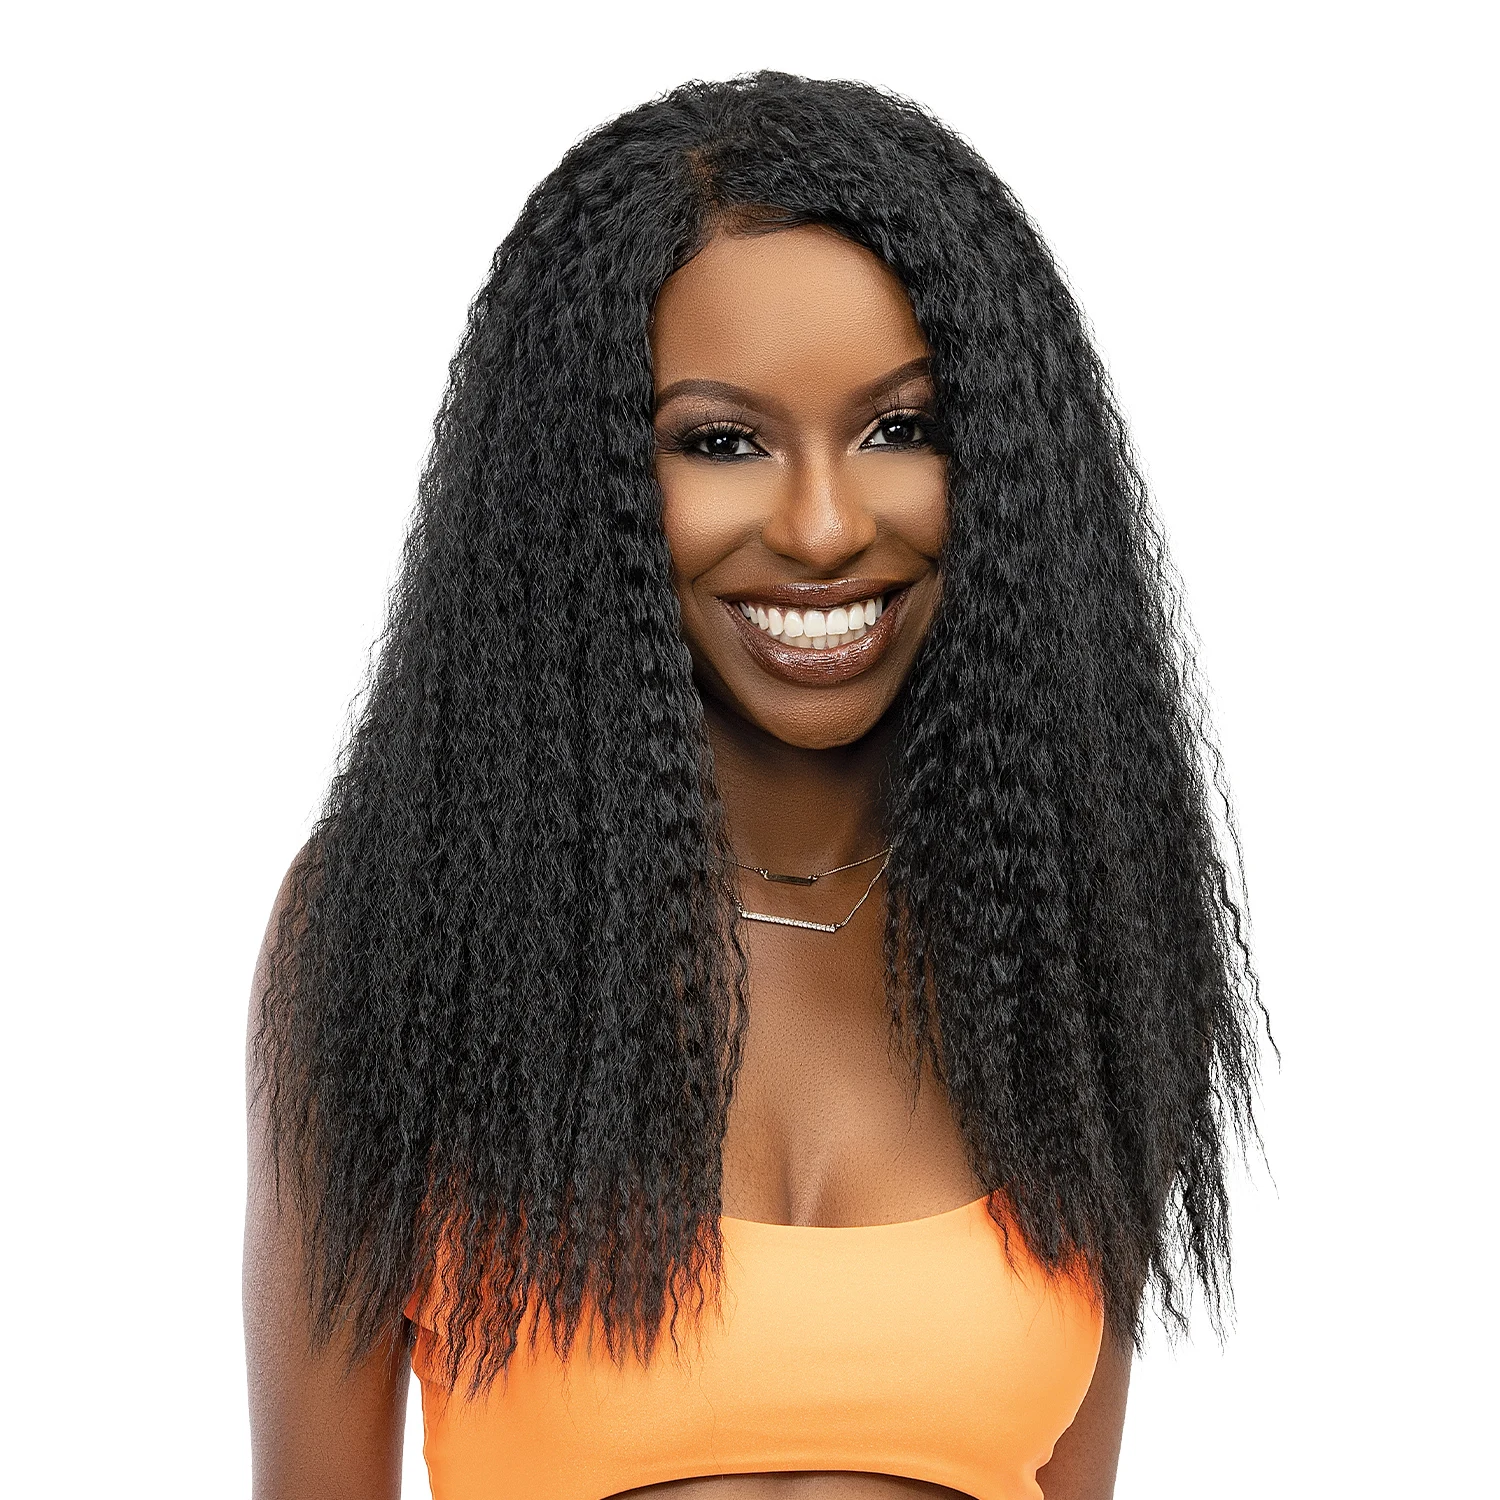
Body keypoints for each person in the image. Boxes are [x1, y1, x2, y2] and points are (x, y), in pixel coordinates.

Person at [245, 71, 1271, 1500]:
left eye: (899, 428)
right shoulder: (400, 925)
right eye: (720, 441)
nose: (824, 527)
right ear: (582, 482)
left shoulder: (1073, 913)